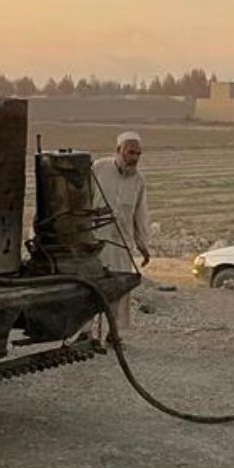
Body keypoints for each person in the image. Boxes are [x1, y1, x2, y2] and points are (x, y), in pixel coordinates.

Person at [90, 131, 151, 346]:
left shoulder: (138, 180)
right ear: (118, 150)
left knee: (118, 289)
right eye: (130, 152)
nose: (134, 158)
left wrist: (143, 244)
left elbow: (140, 214)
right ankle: (85, 334)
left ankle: (112, 335)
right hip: (96, 241)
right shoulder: (98, 169)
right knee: (91, 287)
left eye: (138, 154)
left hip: (122, 244)